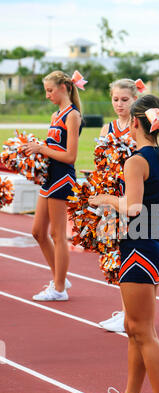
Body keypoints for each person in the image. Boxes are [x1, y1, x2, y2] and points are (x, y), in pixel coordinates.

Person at [88, 94, 159, 393]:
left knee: (143, 330)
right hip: (150, 243)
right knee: (133, 327)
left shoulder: (136, 160)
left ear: (137, 122)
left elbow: (134, 208)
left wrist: (108, 198)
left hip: (140, 247)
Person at [22, 70, 85, 301]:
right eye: (46, 90)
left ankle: (59, 289)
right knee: (38, 232)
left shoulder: (72, 115)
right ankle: (60, 276)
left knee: (58, 235)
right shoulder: (55, 114)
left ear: (64, 88)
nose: (47, 94)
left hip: (62, 179)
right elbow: (52, 146)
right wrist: (33, 150)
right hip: (49, 177)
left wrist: (42, 149)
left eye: (50, 90)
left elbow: (70, 156)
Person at [97, 78, 140, 333]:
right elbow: (102, 164)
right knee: (116, 255)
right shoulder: (107, 128)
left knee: (131, 254)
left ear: (135, 99)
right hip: (113, 200)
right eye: (115, 99)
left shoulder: (139, 127)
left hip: (133, 199)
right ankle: (125, 311)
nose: (120, 104)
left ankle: (131, 313)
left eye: (125, 99)